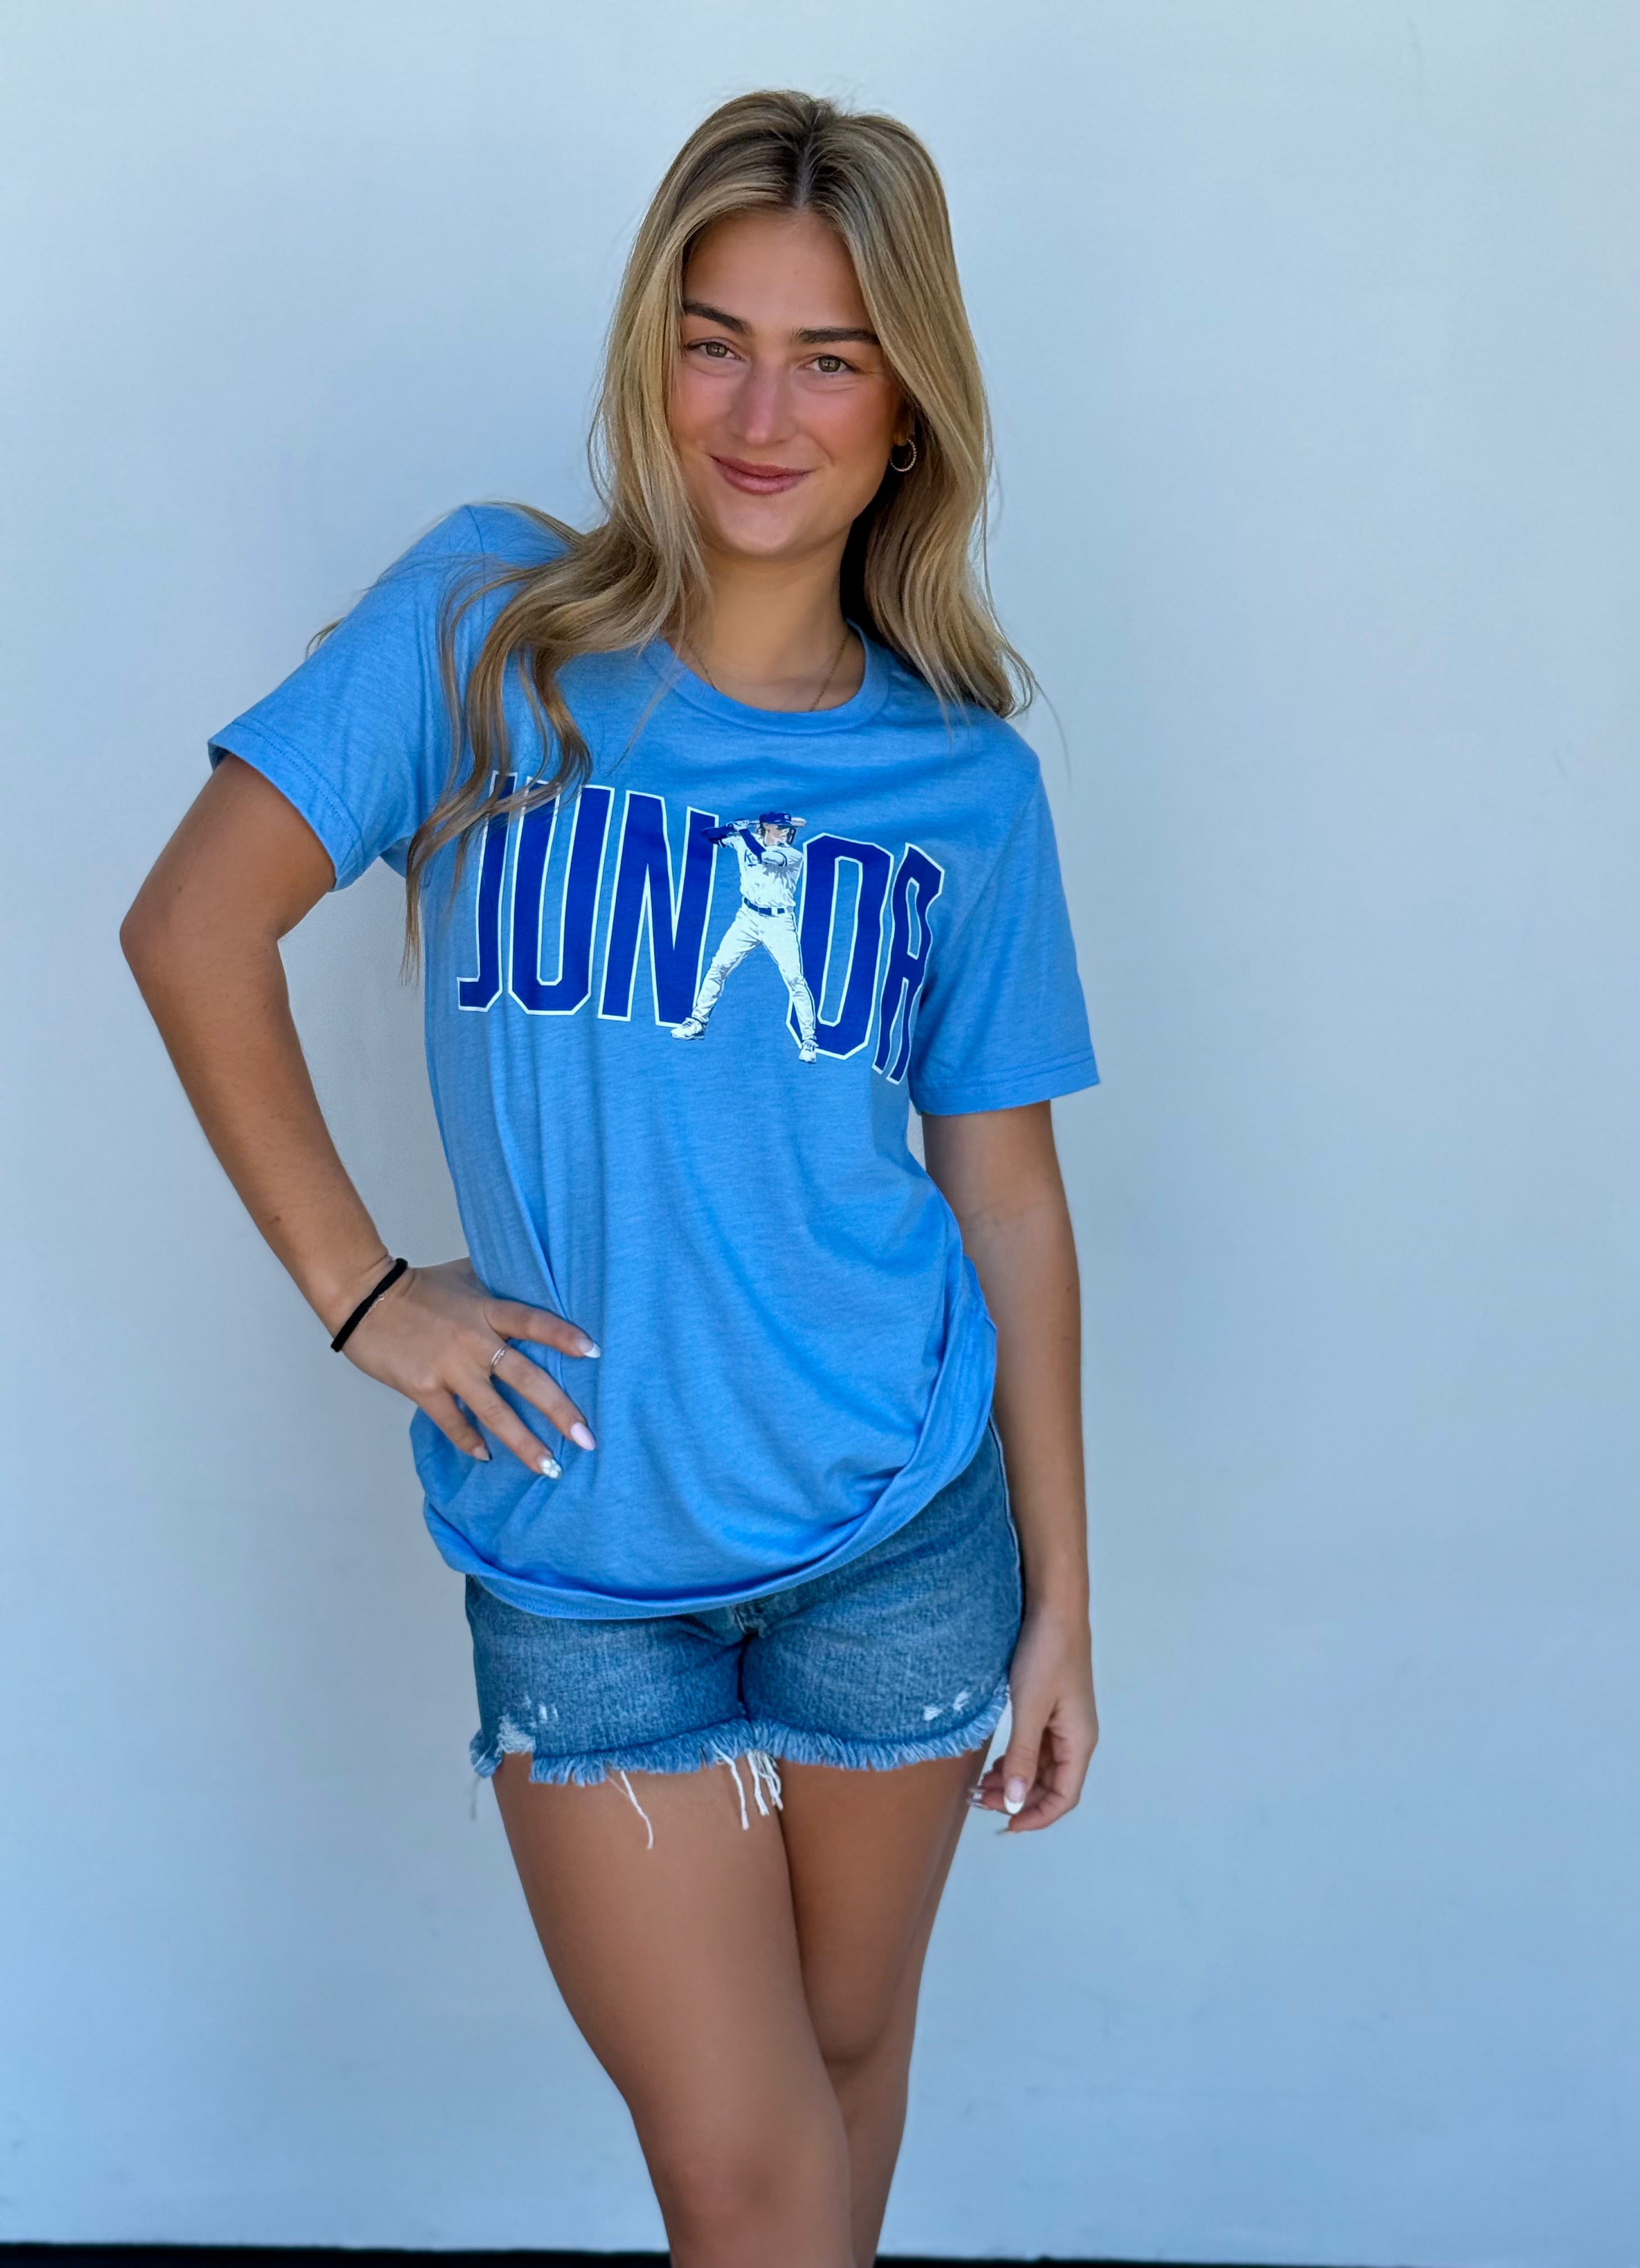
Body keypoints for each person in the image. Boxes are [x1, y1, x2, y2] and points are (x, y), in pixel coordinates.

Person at [122, 87, 1099, 2268]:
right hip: (582, 1549)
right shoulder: (488, 631)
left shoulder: (961, 786)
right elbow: (190, 927)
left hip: (895, 1528)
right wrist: (364, 1294)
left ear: (908, 410)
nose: (758, 413)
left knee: (840, 2065)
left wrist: (1061, 1595)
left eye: (827, 358)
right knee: (740, 2175)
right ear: (648, 352)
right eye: (710, 340)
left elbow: (1007, 1198)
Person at [673, 809, 818, 1055]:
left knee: (795, 979)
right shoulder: (743, 840)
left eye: (787, 829)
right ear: (766, 828)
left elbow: (763, 856)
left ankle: (809, 1040)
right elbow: (708, 835)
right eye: (781, 828)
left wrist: (743, 832)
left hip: (779, 922)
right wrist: (731, 828)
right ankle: (698, 1022)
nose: (786, 832)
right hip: (748, 917)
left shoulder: (792, 855)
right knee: (719, 966)